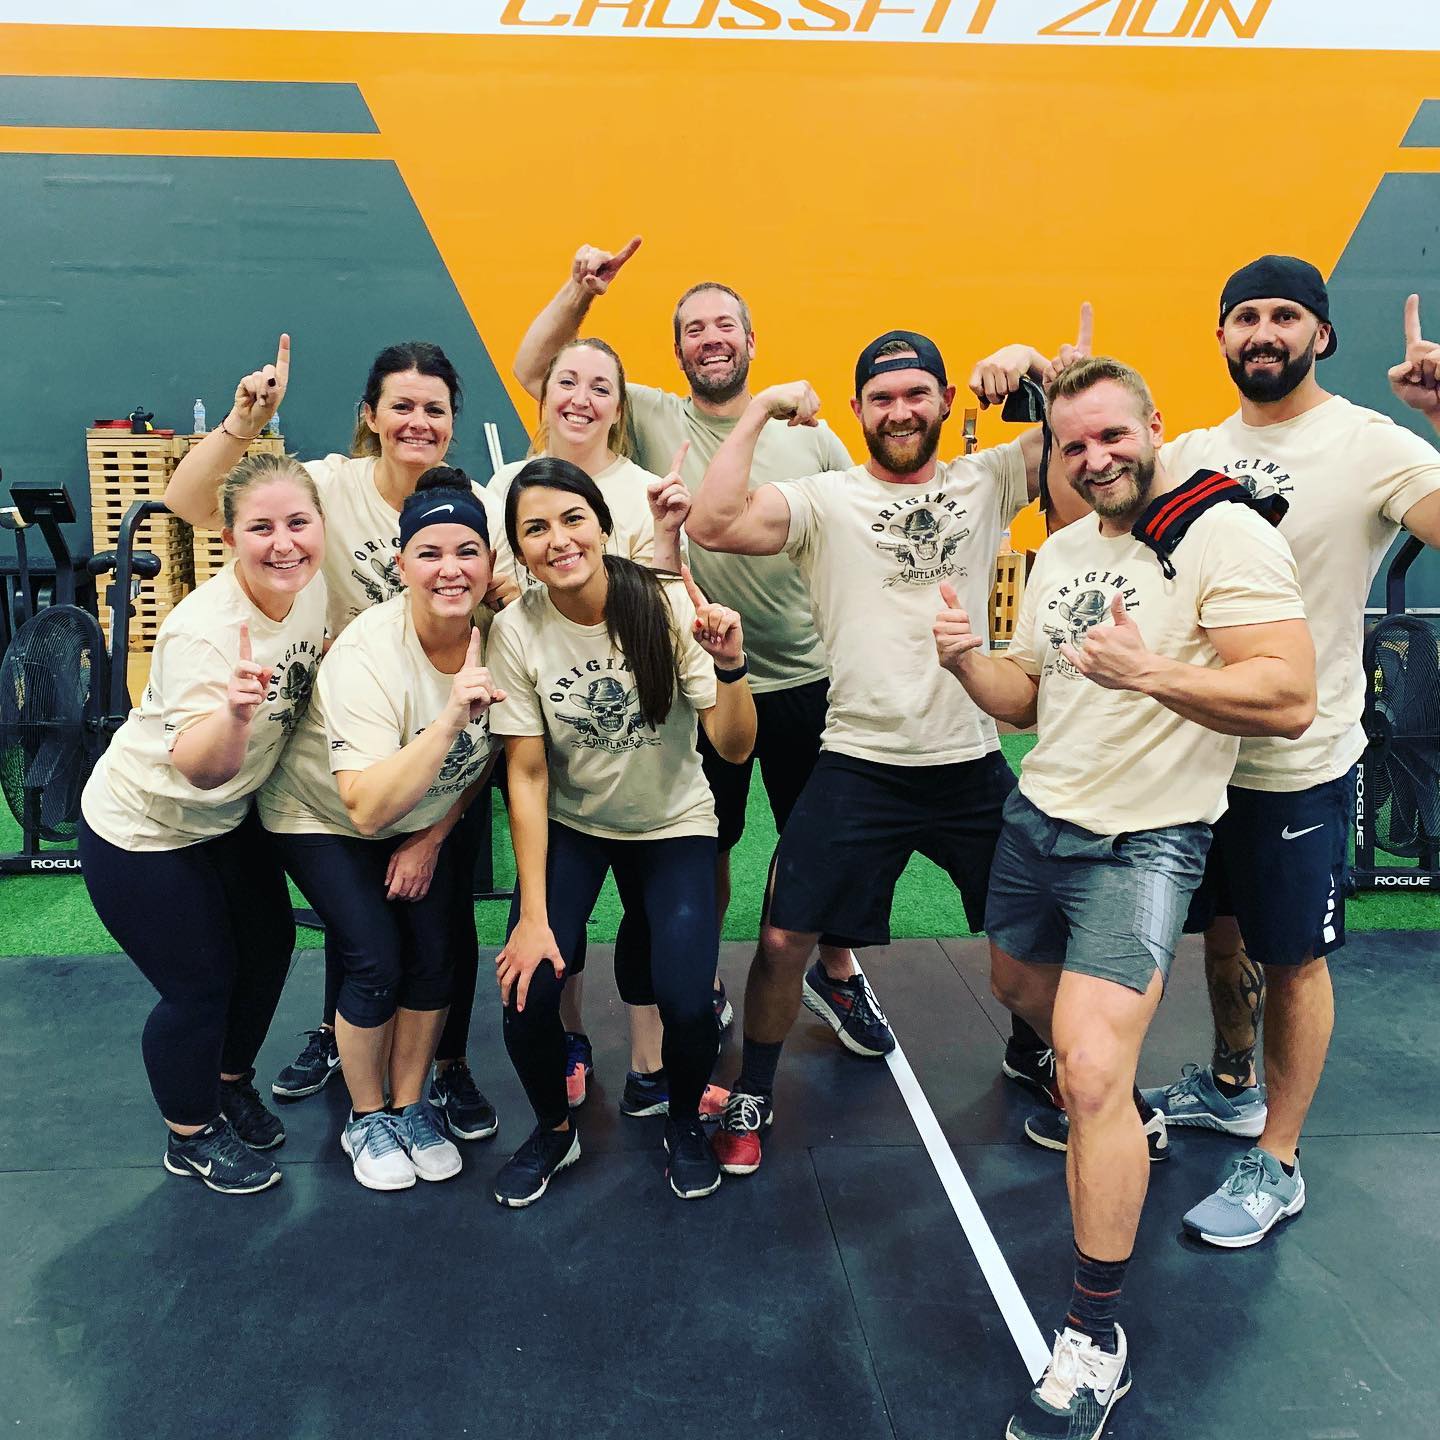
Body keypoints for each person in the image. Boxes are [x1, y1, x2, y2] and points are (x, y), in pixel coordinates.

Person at [934, 356, 1314, 1439]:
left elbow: (1288, 692)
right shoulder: (1061, 549)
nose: (1095, 458)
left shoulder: (1220, 533)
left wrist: (1151, 673)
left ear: (1154, 425)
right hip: (1036, 821)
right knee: (1018, 988)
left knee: (1091, 1071)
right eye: (1074, 445)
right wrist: (965, 662)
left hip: (1143, 843)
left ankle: (1094, 1335)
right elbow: (1028, 700)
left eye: (1113, 436)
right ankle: (1117, 1112)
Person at [512, 240, 894, 1075]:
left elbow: (869, 523)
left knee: (817, 845)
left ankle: (835, 971)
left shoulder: (812, 435)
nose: (711, 338)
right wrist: (579, 292)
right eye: (694, 329)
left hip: (807, 674)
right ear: (678, 351)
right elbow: (540, 372)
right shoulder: (649, 415)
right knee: (709, 843)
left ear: (752, 341)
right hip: (704, 680)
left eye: (726, 325)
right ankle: (705, 977)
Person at [1118, 261, 1440, 1247]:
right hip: (1196, 753)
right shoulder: (1192, 451)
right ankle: (1232, 1086)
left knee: (1292, 959)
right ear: (1221, 336)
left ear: (1322, 335)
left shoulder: (1372, 443)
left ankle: (1281, 1159)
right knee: (1222, 931)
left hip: (1299, 758)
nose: (1264, 332)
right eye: (1246, 316)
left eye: (1286, 315)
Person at [685, 328, 1051, 1176]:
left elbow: (1095, 441)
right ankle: (755, 1089)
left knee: (1030, 931)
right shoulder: (825, 499)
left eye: (917, 393)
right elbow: (711, 521)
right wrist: (761, 409)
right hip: (858, 758)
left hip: (968, 756)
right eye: (882, 398)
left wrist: (1034, 363)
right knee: (784, 938)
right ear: (857, 410)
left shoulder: (990, 477)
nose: (900, 411)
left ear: (946, 401)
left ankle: (1032, 1049)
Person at [164, 336, 503, 1143]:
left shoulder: (474, 506)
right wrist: (244, 424)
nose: (418, 422)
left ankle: (445, 1071)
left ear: (453, 421)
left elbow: (512, 600)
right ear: (371, 416)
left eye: (434, 409)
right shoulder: (331, 486)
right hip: (339, 738)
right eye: (401, 406)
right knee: (366, 936)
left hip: (437, 741)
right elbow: (189, 503)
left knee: (439, 927)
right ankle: (345, 1051)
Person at [484, 458, 756, 1206]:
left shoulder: (661, 605)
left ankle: (683, 1123)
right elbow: (527, 774)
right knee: (528, 986)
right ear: (518, 548)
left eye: (573, 518)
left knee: (688, 1001)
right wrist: (533, 917)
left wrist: (732, 667)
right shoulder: (516, 629)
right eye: (535, 528)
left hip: (673, 823)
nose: (558, 539)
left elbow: (734, 748)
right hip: (576, 824)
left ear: (603, 526)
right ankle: (553, 1130)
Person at [78, 452, 328, 1194]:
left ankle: (227, 1083)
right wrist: (237, 714)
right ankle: (189, 1134)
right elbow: (201, 768)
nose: (283, 543)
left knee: (270, 945)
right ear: (228, 538)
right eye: (261, 529)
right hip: (144, 827)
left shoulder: (311, 588)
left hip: (227, 818)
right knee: (199, 986)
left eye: (297, 523)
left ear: (321, 525)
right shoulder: (203, 633)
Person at [258, 470, 503, 1190]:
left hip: (419, 817)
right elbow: (365, 807)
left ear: (490, 562)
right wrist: (451, 716)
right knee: (374, 957)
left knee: (436, 954)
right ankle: (366, 1117)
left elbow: (486, 758)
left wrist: (433, 838)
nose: (450, 569)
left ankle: (409, 1104)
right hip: (323, 815)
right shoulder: (370, 653)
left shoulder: (499, 638)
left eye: (467, 551)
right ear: (401, 565)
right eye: (430, 553)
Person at [488, 334, 689, 1112]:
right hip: (539, 725)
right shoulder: (506, 486)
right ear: (543, 396)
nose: (580, 397)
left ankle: (651, 1056)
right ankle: (568, 1035)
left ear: (619, 406)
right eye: (566, 381)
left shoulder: (644, 493)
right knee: (552, 919)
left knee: (650, 912)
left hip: (634, 742)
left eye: (600, 386)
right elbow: (487, 586)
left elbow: (657, 613)